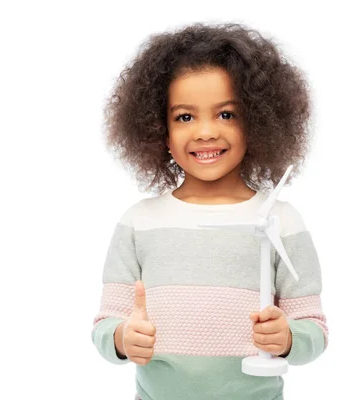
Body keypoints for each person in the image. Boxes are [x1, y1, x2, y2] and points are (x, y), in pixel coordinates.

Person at [91, 22, 328, 400]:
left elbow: (313, 329)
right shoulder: (138, 222)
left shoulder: (281, 221)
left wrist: (288, 338)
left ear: (258, 123)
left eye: (227, 114)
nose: (205, 132)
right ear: (161, 131)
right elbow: (106, 324)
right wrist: (122, 338)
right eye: (185, 117)